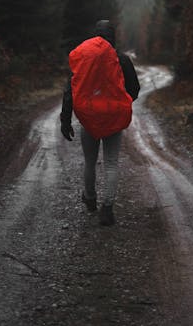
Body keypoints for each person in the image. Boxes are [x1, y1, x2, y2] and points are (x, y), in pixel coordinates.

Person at [60, 20, 140, 226]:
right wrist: (121, 103)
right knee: (111, 163)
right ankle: (107, 209)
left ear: (95, 36)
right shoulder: (121, 59)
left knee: (90, 161)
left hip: (89, 117)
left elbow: (71, 90)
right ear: (113, 37)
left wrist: (65, 119)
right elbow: (135, 89)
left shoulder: (84, 59)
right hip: (113, 116)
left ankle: (90, 198)